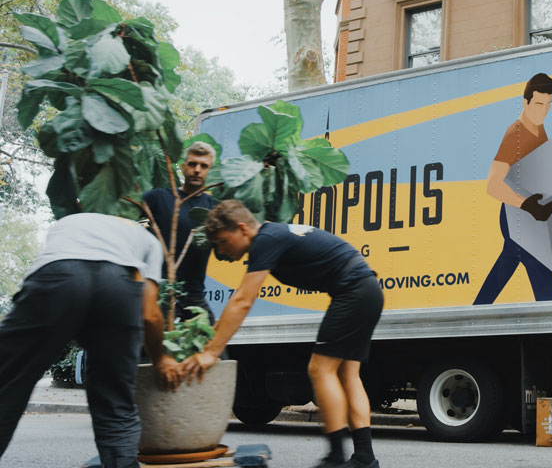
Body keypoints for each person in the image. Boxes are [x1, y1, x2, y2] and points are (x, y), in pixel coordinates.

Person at [182, 200, 383, 468]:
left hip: (354, 291)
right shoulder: (273, 235)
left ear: (242, 229)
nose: (221, 249)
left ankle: (335, 458)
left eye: (221, 240)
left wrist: (212, 353)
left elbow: (242, 300)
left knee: (319, 369)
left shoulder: (265, 240)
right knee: (347, 374)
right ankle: (365, 458)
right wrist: (210, 338)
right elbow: (237, 303)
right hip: (365, 289)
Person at [0, 213, 182, 468]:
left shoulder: (69, 222)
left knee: (7, 385)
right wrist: (161, 359)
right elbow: (150, 314)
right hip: (117, 287)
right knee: (115, 403)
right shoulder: (147, 240)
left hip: (58, 277)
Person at [474, 73, 552, 305]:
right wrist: (526, 205)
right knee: (539, 266)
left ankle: (477, 310)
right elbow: (492, 184)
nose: (544, 111)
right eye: (539, 104)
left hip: (530, 213)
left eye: (548, 104)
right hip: (517, 216)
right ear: (526, 102)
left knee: (508, 261)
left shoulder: (538, 128)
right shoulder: (516, 135)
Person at [143, 141, 219, 323]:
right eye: (192, 164)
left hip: (194, 294)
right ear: (183, 166)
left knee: (212, 348)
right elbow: (124, 212)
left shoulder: (214, 209)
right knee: (156, 348)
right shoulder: (159, 197)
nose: (197, 170)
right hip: (160, 292)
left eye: (204, 166)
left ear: (210, 170)